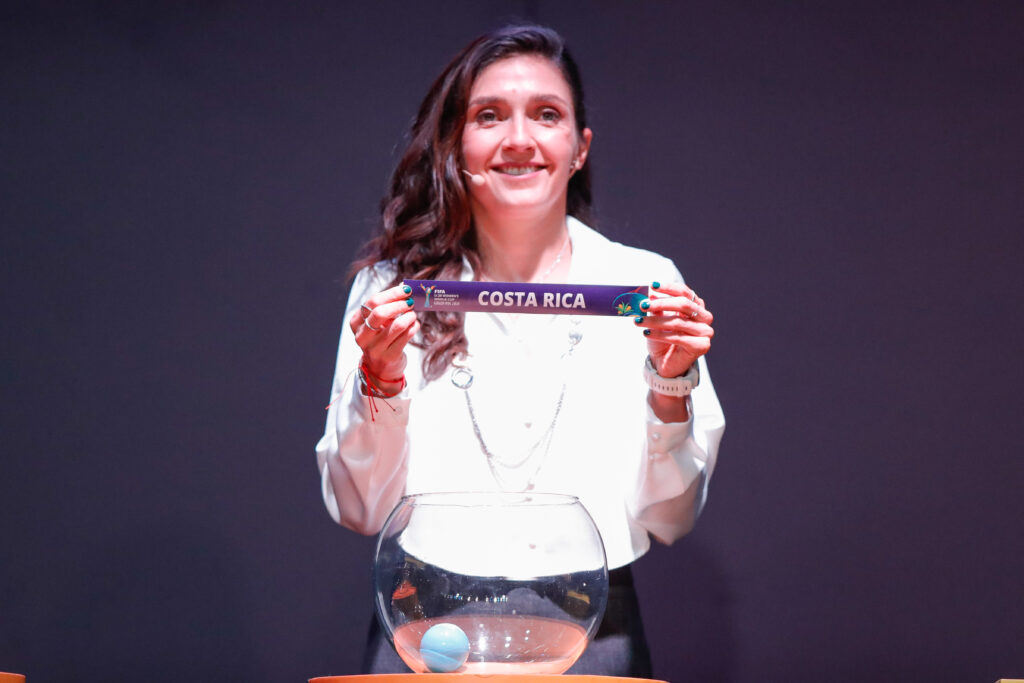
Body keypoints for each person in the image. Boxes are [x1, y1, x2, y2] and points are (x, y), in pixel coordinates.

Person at [315, 24, 725, 677]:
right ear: (456, 144)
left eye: (546, 115)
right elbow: (361, 508)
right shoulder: (394, 291)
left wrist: (670, 385)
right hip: (424, 629)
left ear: (579, 147)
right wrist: (382, 379)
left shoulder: (646, 287)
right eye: (488, 116)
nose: (518, 139)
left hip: (592, 631)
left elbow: (671, 519)